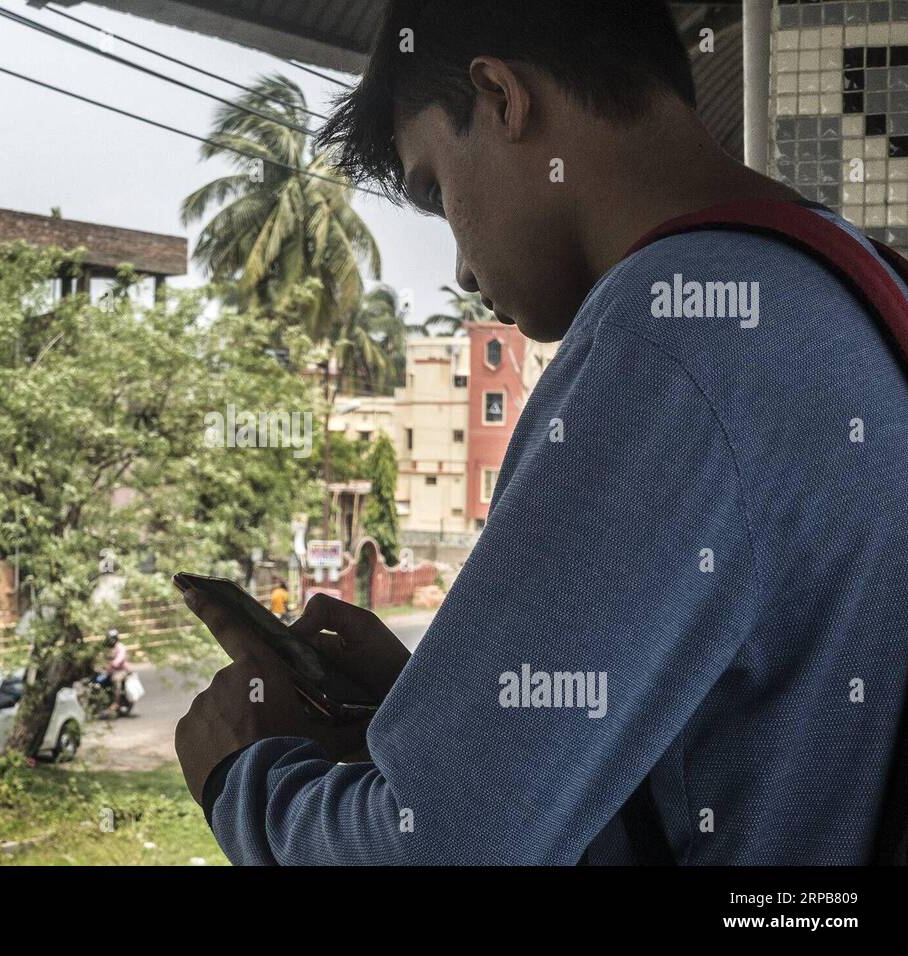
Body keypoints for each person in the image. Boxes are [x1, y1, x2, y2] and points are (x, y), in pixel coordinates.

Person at [176, 0, 908, 865]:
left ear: (500, 97)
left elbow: (441, 855)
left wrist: (244, 779)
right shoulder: (855, 282)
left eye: (437, 190)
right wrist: (448, 719)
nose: (456, 264)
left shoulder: (671, 332)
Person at [102, 628, 130, 717]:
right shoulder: (108, 649)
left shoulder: (120, 647)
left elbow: (119, 659)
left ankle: (116, 702)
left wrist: (113, 664)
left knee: (115, 679)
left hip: (121, 670)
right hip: (110, 670)